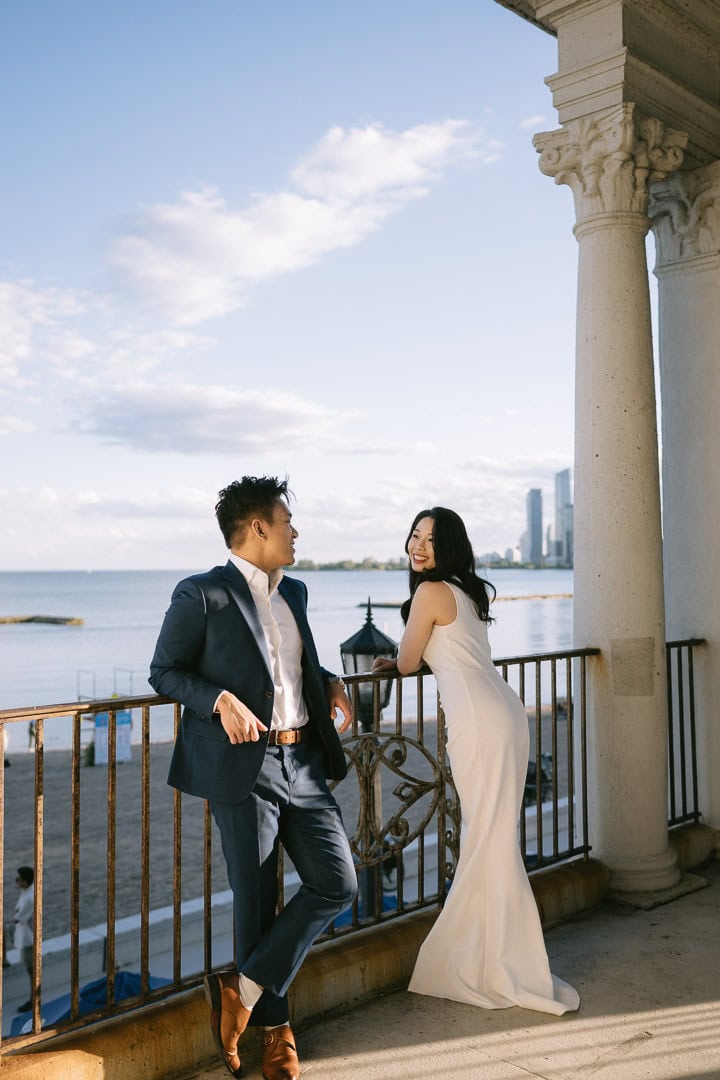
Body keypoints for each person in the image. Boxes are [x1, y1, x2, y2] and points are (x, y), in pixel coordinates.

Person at [149, 477, 357, 1080]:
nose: (296, 531)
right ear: (259, 528)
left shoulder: (297, 591)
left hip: (306, 762)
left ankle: (241, 992)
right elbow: (165, 671)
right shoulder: (201, 594)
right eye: (287, 521)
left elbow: (289, 663)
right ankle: (275, 1031)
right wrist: (217, 698)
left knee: (338, 883)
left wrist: (329, 681)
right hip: (246, 767)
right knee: (257, 901)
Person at [373, 508, 579, 1016]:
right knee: (492, 837)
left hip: (478, 721)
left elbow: (405, 661)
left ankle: (491, 964)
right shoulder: (467, 591)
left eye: (430, 540)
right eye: (414, 537)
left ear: (450, 547)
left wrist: (396, 662)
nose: (418, 547)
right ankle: (501, 956)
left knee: (485, 839)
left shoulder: (428, 592)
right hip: (505, 711)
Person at [12, 866, 35, 1012]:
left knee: (31, 970)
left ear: (25, 882)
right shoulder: (27, 891)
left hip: (28, 938)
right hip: (24, 935)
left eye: (18, 879)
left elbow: (19, 917)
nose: (16, 881)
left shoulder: (29, 898)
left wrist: (15, 917)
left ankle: (33, 1000)